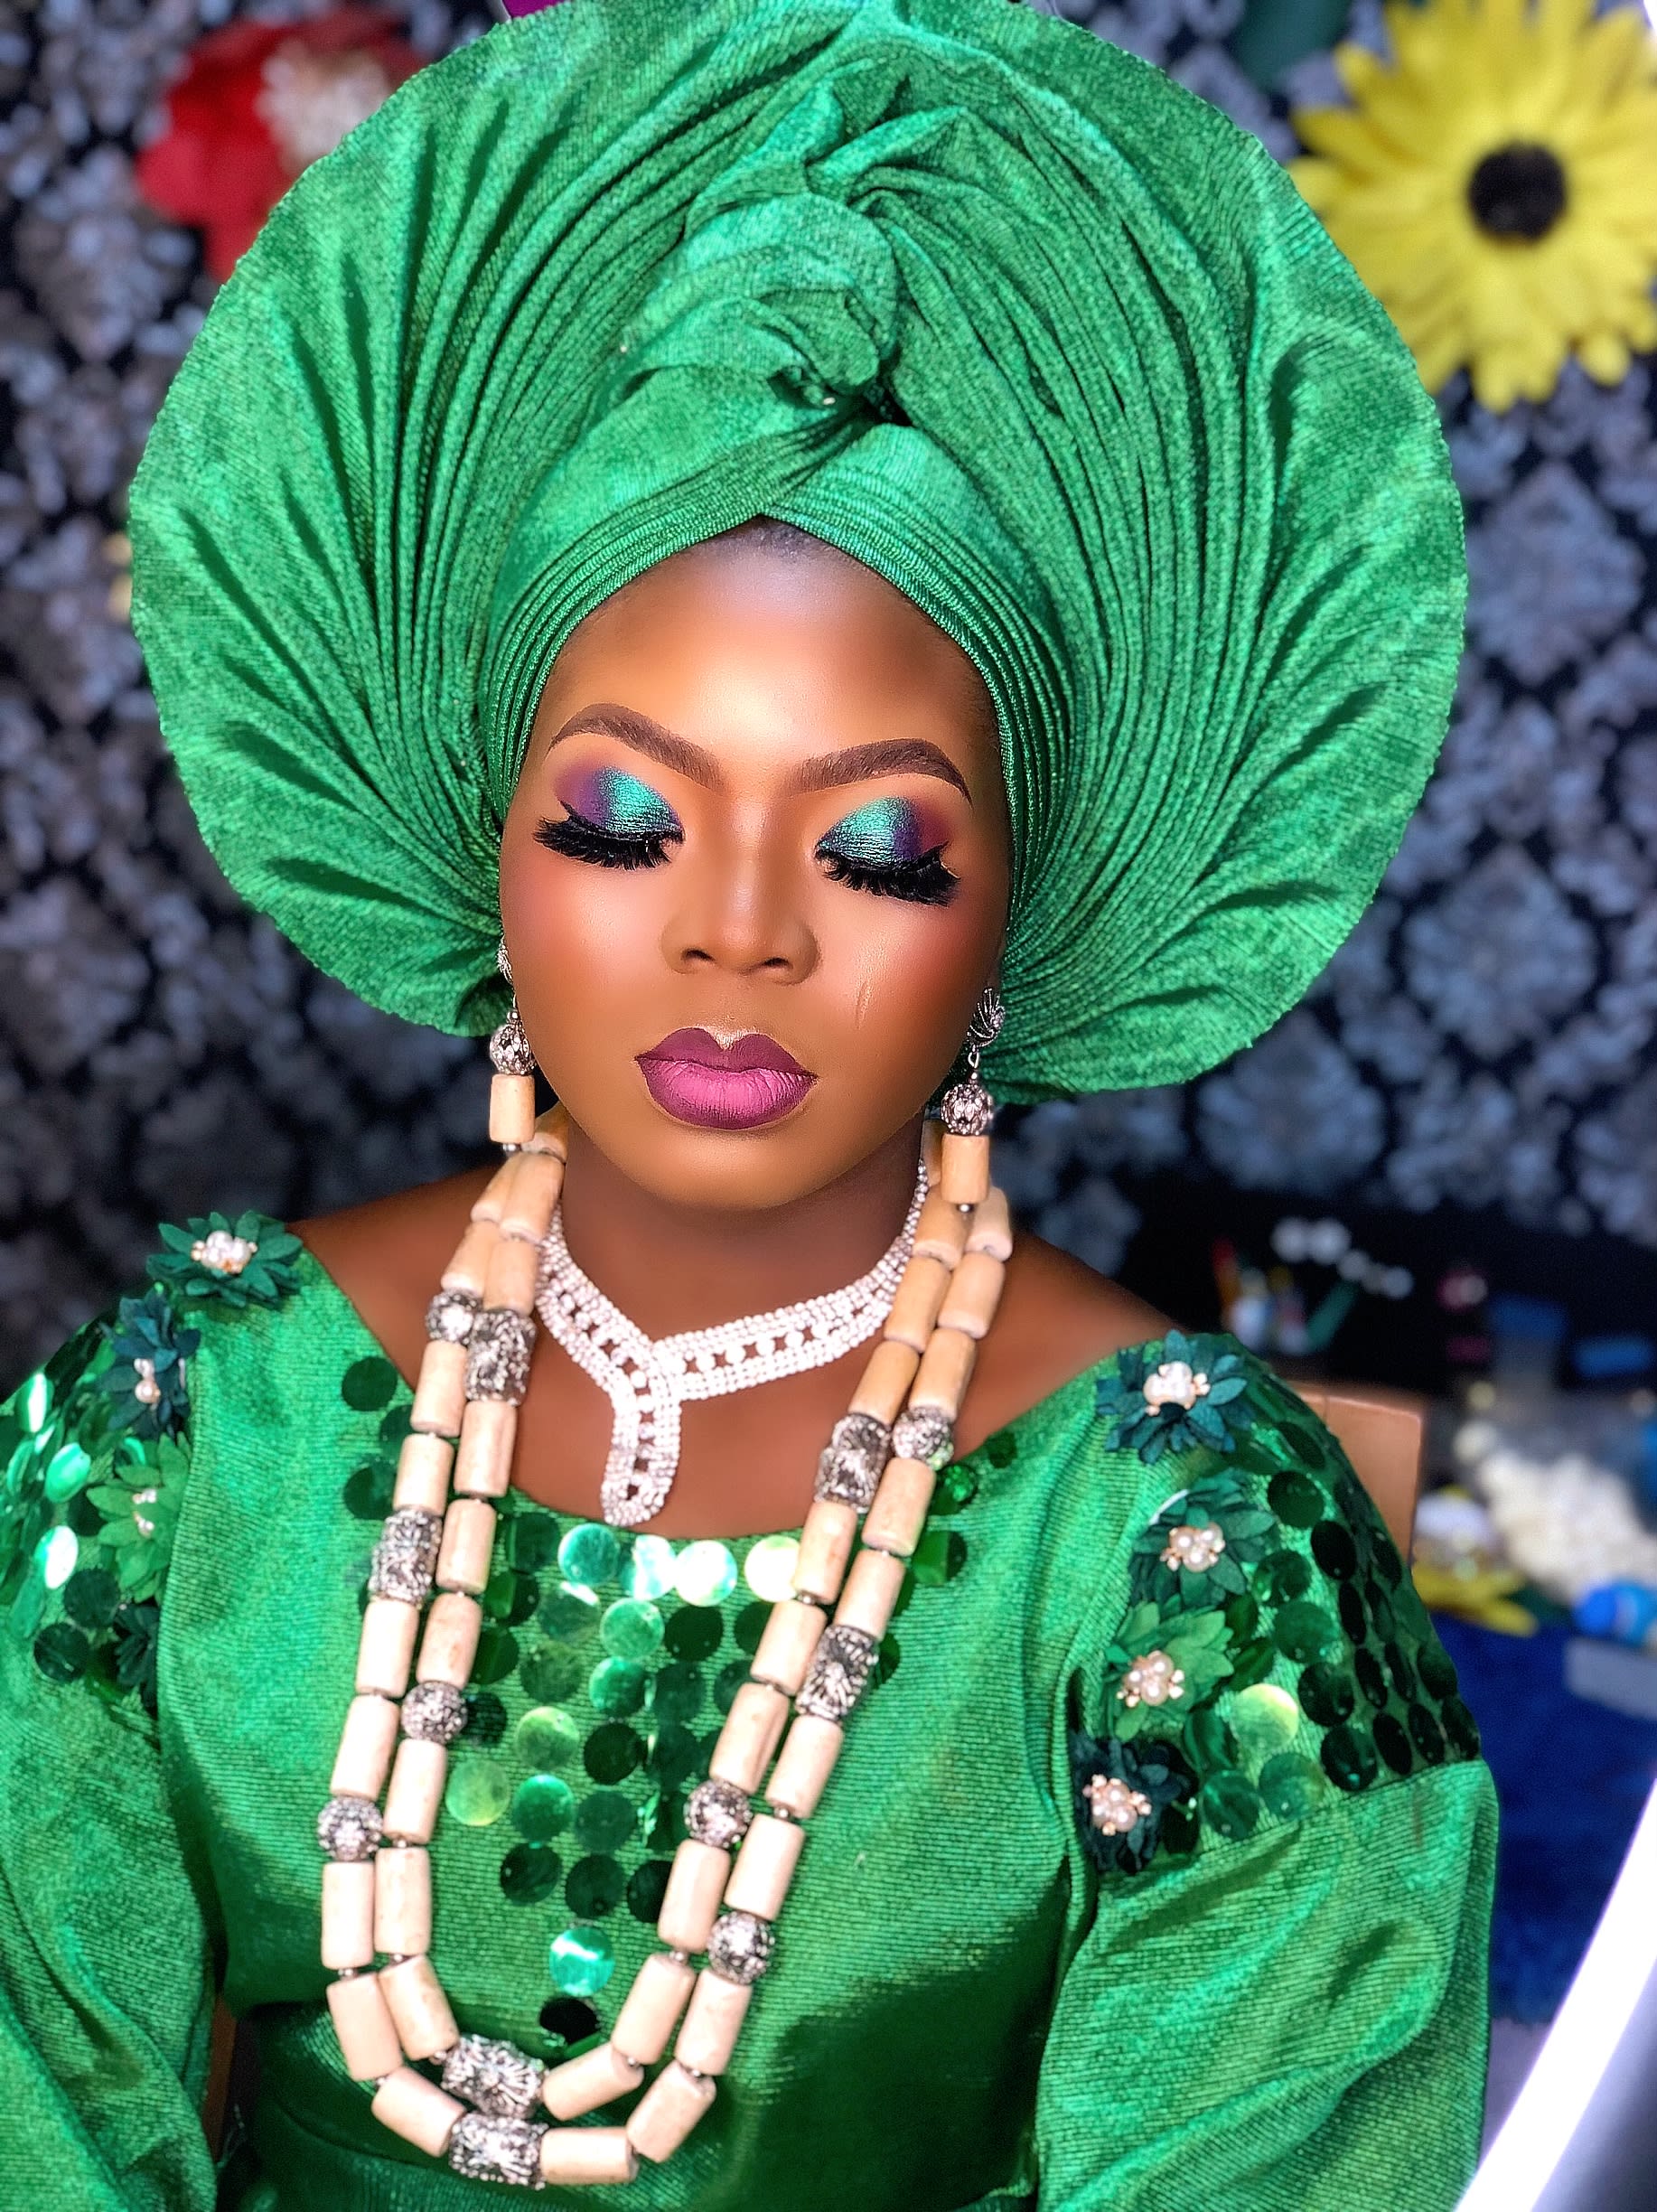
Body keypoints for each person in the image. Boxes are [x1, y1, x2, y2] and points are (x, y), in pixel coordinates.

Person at [0, 0, 1493, 2206]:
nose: (737, 936)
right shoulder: (186, 1426)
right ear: (482, 853)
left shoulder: (1194, 1558)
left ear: (1021, 913)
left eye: (877, 850)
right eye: (621, 822)